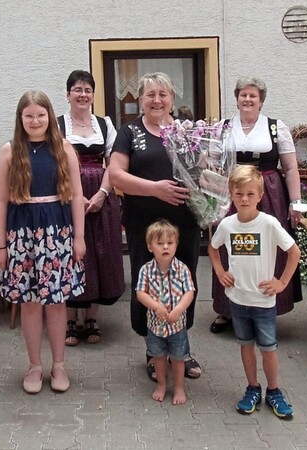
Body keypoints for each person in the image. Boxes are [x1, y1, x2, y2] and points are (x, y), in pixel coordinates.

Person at [108, 72, 202, 381]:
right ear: (140, 100)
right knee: (149, 285)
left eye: (163, 94)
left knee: (183, 282)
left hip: (183, 223)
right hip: (144, 224)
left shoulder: (188, 132)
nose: (157, 100)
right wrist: (154, 188)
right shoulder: (129, 132)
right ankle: (154, 352)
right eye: (150, 95)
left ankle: (181, 350)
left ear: (173, 99)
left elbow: (207, 170)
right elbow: (116, 176)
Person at [0, 90, 85, 394]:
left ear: (50, 116)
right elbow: (0, 201)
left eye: (41, 115)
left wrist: (79, 238)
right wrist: (1, 245)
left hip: (57, 234)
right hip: (21, 235)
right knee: (30, 304)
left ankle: (58, 365)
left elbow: (75, 197)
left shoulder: (64, 149)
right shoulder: (9, 152)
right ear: (21, 119)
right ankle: (34, 365)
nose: (35, 121)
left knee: (56, 303)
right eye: (29, 116)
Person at [209, 77, 303, 334]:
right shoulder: (224, 127)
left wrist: (296, 202)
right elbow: (213, 166)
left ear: (261, 100)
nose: (247, 99)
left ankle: (267, 306)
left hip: (268, 192)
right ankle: (227, 309)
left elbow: (291, 167)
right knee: (231, 246)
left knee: (267, 247)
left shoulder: (276, 127)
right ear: (237, 98)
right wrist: (212, 201)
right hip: (235, 192)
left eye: (253, 95)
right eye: (243, 95)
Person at [208, 165, 299, 418]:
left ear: (260, 196)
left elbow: (294, 252)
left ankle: (274, 390)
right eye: (239, 194)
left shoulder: (268, 223)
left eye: (250, 194)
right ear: (231, 195)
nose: (244, 199)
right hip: (238, 300)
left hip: (264, 302)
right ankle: (252, 388)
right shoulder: (227, 225)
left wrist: (281, 283)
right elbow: (213, 249)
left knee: (268, 347)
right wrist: (219, 271)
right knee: (245, 345)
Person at [56, 70, 124, 346]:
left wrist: (101, 194)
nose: (83, 95)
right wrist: (75, 195)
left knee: (99, 252)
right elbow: (57, 164)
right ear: (68, 94)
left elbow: (114, 164)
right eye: (77, 89)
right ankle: (71, 319)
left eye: (87, 90)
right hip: (67, 195)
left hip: (101, 196)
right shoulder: (58, 125)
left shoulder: (105, 125)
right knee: (73, 253)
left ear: (93, 95)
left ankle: (91, 318)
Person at [135, 220, 195, 405]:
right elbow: (140, 293)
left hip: (177, 326)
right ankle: (161, 384)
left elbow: (190, 292)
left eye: (170, 243)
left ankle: (178, 388)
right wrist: (155, 306)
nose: (165, 247)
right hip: (155, 326)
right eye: (160, 243)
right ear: (150, 247)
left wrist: (178, 310)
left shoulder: (182, 269)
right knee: (158, 358)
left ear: (176, 245)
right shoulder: (146, 270)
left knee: (178, 359)